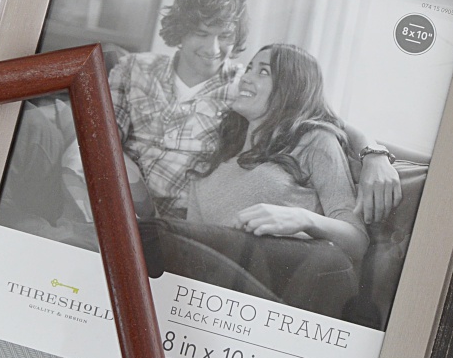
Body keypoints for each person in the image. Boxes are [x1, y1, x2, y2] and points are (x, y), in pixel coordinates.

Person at [105, 0, 402, 223]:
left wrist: (374, 155)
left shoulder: (247, 90)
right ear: (180, 31)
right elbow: (103, 139)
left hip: (181, 222)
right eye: (202, 34)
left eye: (225, 36)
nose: (213, 49)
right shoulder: (134, 69)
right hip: (118, 196)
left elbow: (321, 116)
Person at [142, 44, 367, 319]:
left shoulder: (314, 141)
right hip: (222, 287)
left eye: (263, 72)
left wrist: (303, 219)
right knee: (142, 240)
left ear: (290, 87)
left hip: (287, 278)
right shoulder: (214, 161)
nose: (246, 77)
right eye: (249, 68)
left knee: (150, 235)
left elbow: (357, 240)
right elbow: (193, 246)